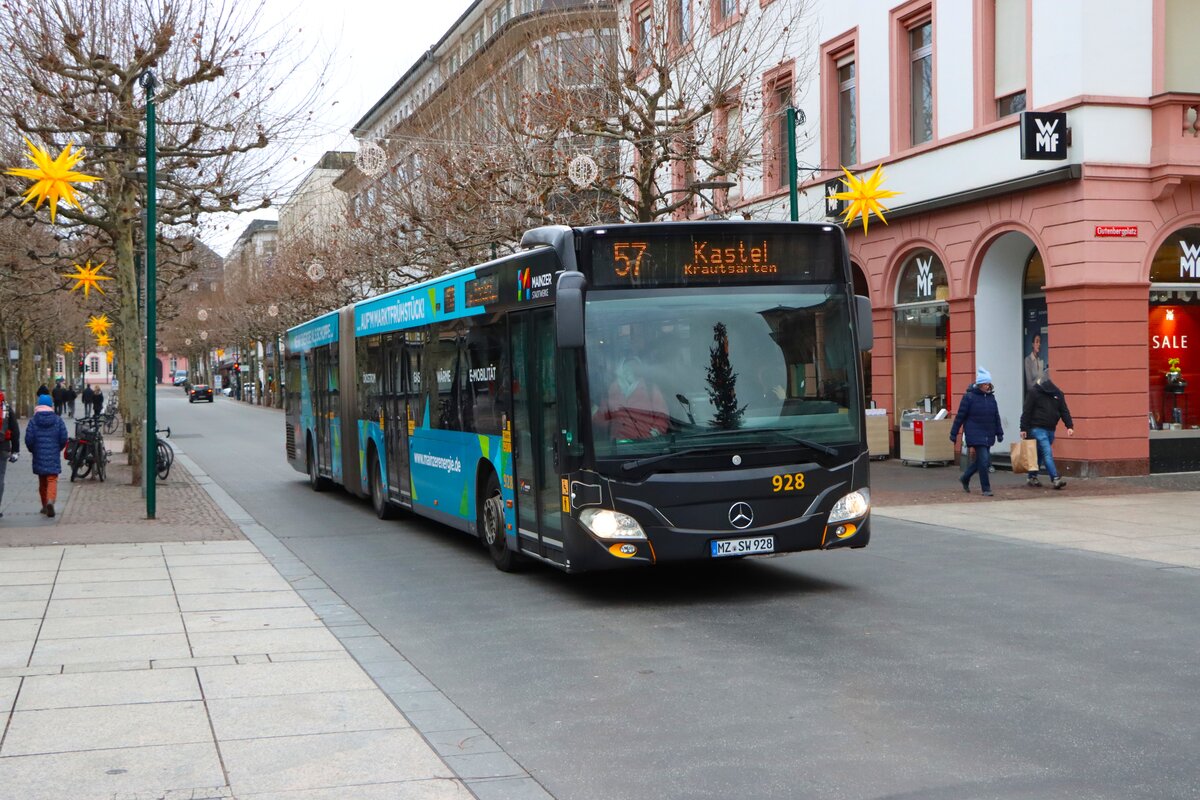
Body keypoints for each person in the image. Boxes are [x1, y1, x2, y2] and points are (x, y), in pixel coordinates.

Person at [949, 367, 1004, 496]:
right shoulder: (969, 397)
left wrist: (999, 432)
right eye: (985, 384)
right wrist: (953, 433)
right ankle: (986, 488)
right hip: (975, 433)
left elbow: (996, 416)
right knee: (984, 461)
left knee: (981, 461)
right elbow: (960, 416)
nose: (987, 386)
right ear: (979, 384)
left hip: (988, 433)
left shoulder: (991, 398)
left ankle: (965, 478)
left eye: (988, 384)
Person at [1020, 374, 1075, 489]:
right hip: (1038, 428)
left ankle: (1032, 476)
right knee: (1047, 452)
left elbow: (1064, 410)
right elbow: (1027, 411)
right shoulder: (1041, 393)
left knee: (1040, 454)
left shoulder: (1054, 394)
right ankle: (1055, 478)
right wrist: (1023, 428)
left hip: (1048, 429)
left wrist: (1069, 426)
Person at [598, 355, 669, 441]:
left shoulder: (650, 388)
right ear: (621, 370)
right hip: (618, 446)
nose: (630, 371)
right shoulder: (611, 390)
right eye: (627, 367)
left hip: (646, 444)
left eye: (634, 368)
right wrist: (594, 412)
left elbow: (662, 415)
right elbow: (603, 419)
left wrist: (657, 430)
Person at [24, 393, 67, 518]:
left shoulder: (33, 421)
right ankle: (50, 501)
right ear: (51, 406)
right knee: (52, 479)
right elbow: (63, 437)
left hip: (38, 454)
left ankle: (44, 505)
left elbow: (29, 439)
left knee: (42, 481)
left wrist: (33, 450)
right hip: (53, 453)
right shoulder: (58, 420)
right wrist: (58, 448)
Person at [0, 391, 20, 518]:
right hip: (3, 446)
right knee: (0, 478)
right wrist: (15, 451)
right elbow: (15, 431)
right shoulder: (6, 408)